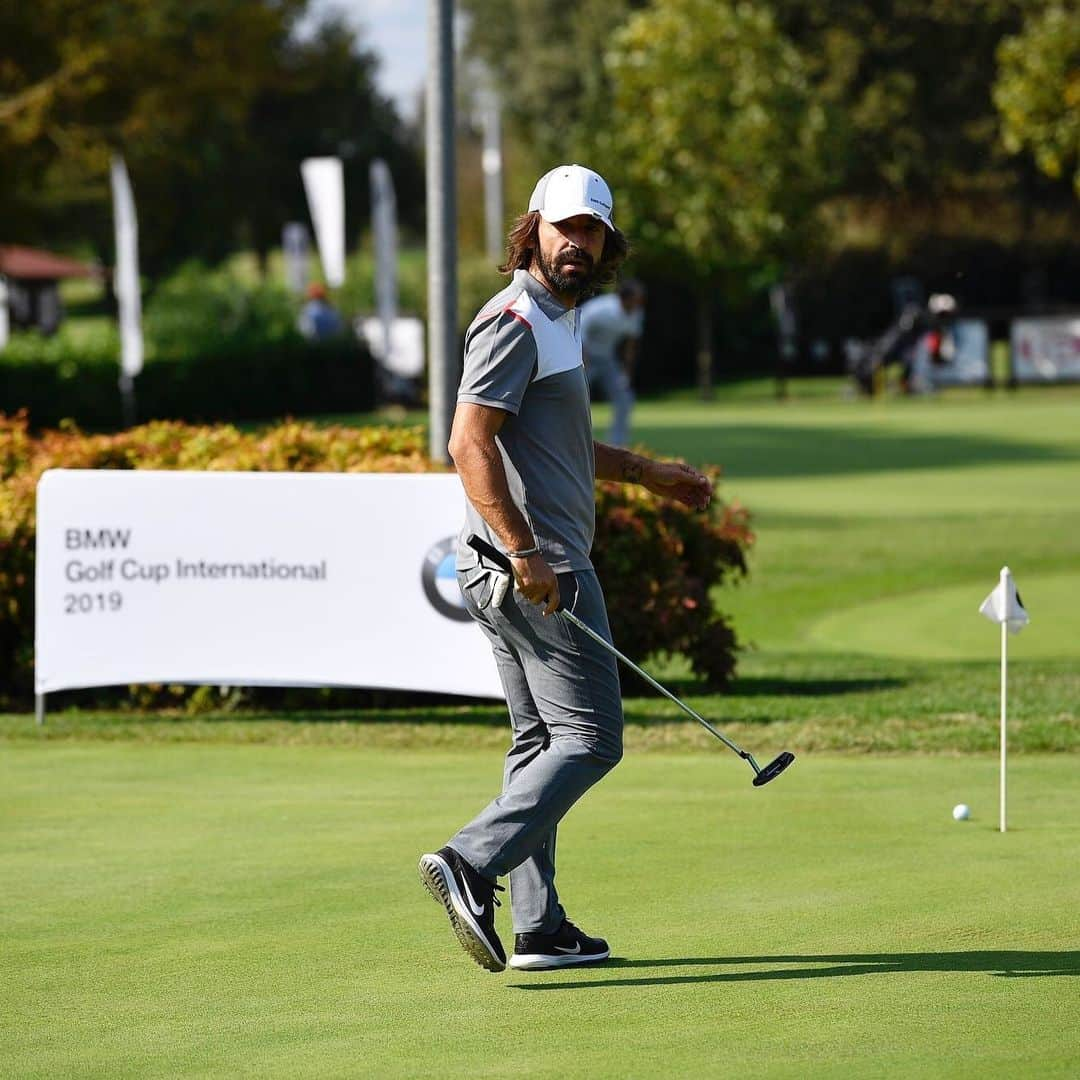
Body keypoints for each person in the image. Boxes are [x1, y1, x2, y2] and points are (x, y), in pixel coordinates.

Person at [418, 164, 713, 973]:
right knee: (591, 739)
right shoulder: (515, 317)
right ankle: (471, 862)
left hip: (512, 566)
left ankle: (538, 926)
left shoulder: (560, 317)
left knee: (541, 742)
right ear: (534, 229)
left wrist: (651, 474)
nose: (577, 243)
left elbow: (561, 445)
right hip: (535, 568)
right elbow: (467, 443)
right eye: (565, 228)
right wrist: (526, 551)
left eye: (592, 232)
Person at [580, 279, 646, 447]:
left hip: (607, 359)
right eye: (637, 299)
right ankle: (573, 443)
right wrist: (581, 366)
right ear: (625, 298)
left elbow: (630, 345)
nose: (640, 303)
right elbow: (578, 333)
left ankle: (618, 446)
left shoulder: (636, 313)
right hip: (581, 357)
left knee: (625, 398)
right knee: (575, 397)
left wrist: (626, 374)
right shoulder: (600, 309)